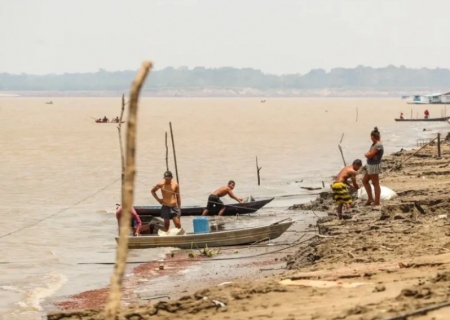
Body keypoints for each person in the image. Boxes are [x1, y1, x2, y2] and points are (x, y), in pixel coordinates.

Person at [362, 127, 384, 209]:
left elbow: (369, 154)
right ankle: (370, 198)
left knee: (375, 183)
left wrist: (367, 154)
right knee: (365, 180)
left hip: (374, 165)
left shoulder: (378, 145)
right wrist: (369, 154)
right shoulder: (374, 144)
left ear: (372, 137)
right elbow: (370, 154)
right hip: (370, 165)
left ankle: (377, 201)